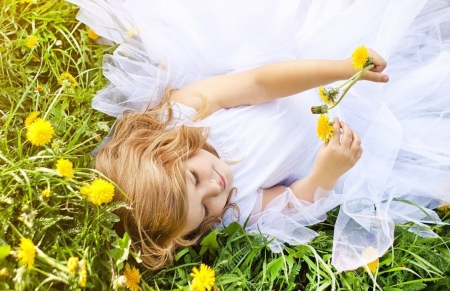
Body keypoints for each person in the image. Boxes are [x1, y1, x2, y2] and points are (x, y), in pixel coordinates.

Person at [69, 0, 450, 272]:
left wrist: (340, 68)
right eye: (203, 208)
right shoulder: (234, 208)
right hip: (347, 128)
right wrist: (327, 173)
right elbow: (291, 202)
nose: (214, 189)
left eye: (194, 178)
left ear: (167, 150)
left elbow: (259, 82)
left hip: (306, 74)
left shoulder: (186, 114)